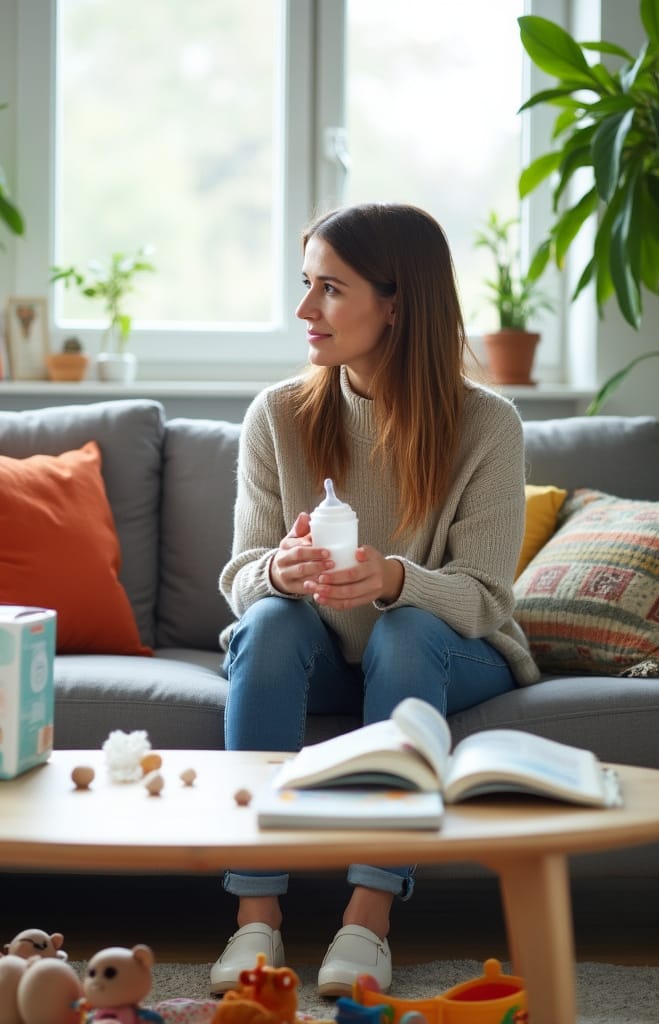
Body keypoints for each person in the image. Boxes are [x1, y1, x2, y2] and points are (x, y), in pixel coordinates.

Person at [210, 203, 539, 998]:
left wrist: (395, 579)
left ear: (397, 303)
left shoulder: (487, 426)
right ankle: (256, 919)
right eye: (305, 285)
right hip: (319, 648)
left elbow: (488, 597)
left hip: (447, 648)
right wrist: (279, 574)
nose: (304, 311)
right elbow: (241, 573)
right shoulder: (279, 415)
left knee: (405, 633)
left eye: (330, 289)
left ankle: (368, 917)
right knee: (271, 624)